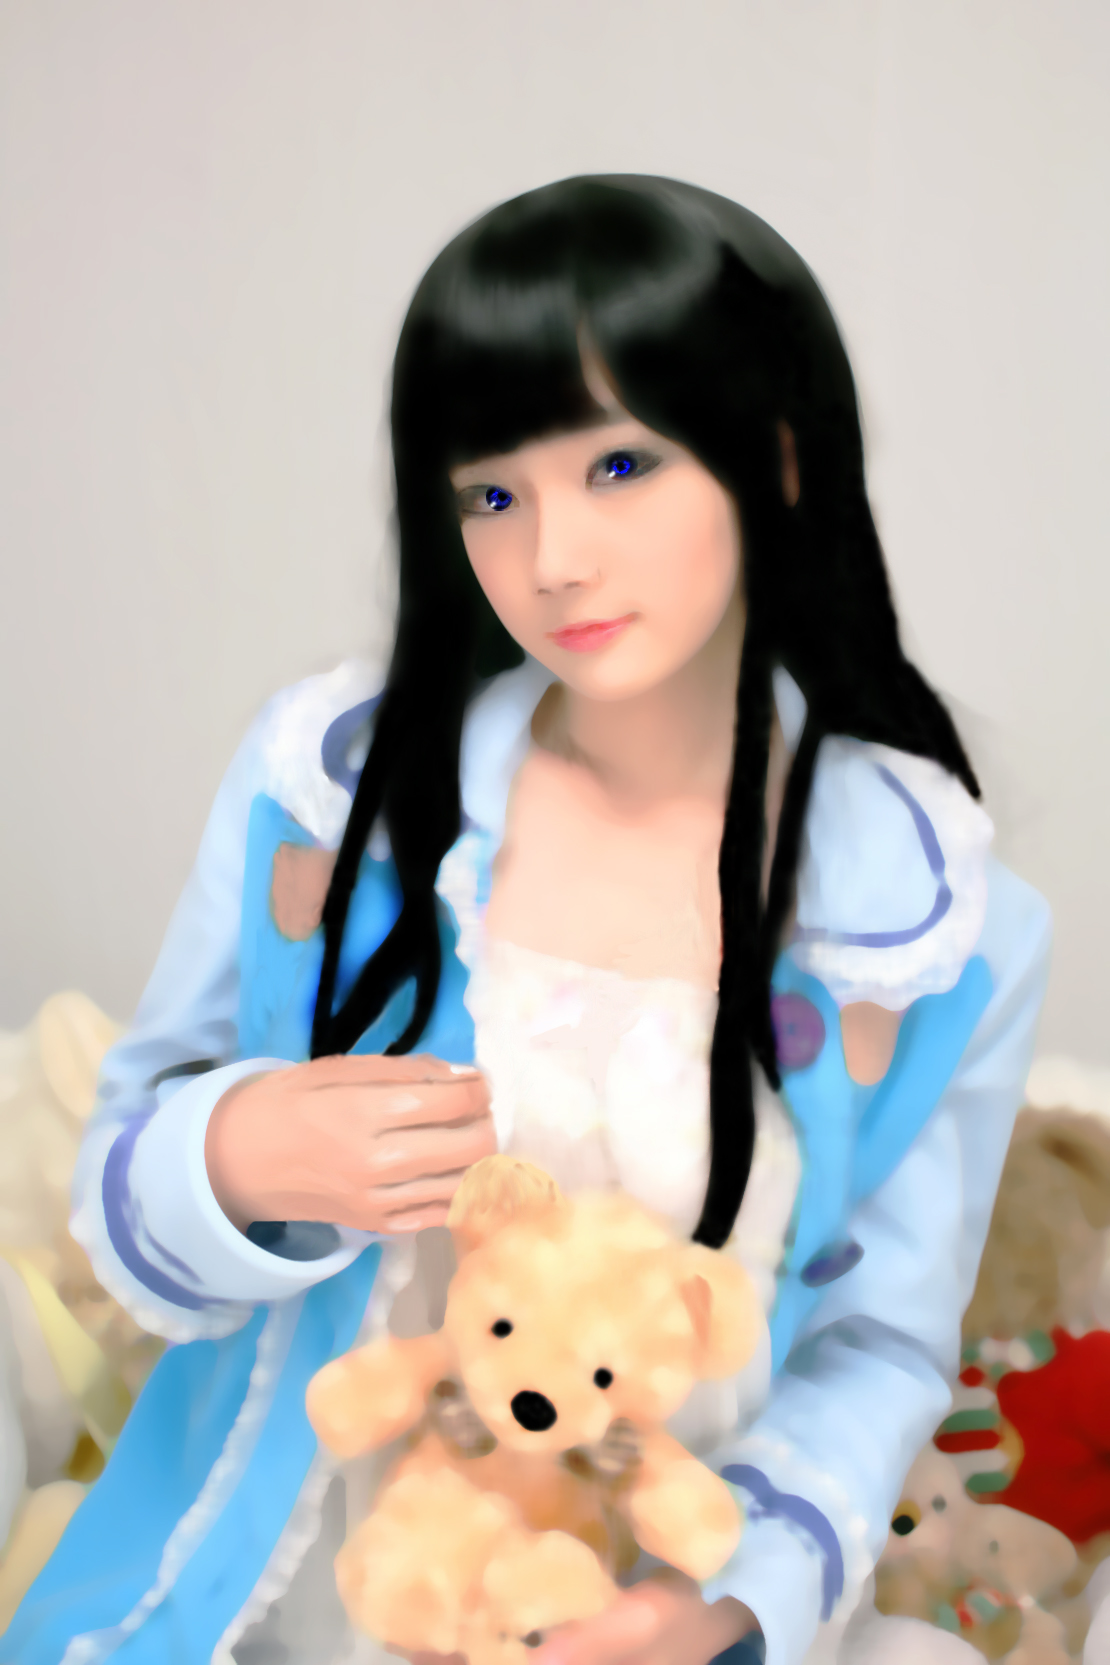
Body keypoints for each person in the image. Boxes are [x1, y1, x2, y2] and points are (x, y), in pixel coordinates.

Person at [3, 176, 1050, 1665]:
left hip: (652, 1593)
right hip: (313, 1577)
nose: (551, 558)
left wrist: (709, 1610)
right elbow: (127, 1166)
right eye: (491, 493)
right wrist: (233, 1155)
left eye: (619, 467)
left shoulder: (931, 924)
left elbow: (876, 1344)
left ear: (778, 458)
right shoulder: (333, 790)